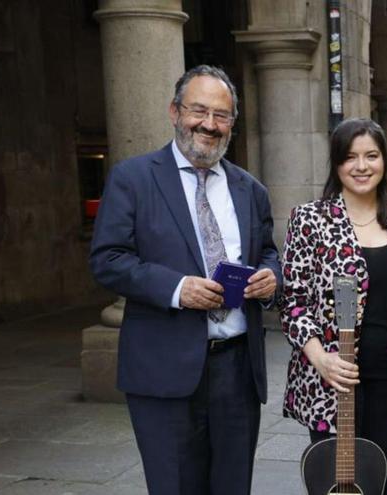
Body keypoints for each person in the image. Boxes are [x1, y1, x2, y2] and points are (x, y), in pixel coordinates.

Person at [89, 65, 281, 494]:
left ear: (233, 123)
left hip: (237, 370)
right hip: (163, 370)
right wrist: (178, 289)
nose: (209, 125)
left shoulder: (251, 189)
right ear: (175, 111)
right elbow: (108, 259)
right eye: (199, 111)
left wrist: (272, 277)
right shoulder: (133, 179)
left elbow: (267, 251)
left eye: (221, 115)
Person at [281, 118, 387, 495]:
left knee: (380, 475)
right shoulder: (309, 219)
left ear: (385, 160)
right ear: (337, 163)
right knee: (336, 482)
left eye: (371, 155)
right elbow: (292, 302)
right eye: (350, 157)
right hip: (331, 377)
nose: (362, 166)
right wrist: (320, 358)